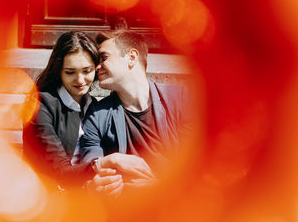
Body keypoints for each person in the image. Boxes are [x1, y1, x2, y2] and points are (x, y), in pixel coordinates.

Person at [80, 30, 192, 195]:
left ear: (131, 57)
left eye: (104, 58)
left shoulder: (181, 99)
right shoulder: (97, 113)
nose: (97, 67)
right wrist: (106, 174)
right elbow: (91, 161)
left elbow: (200, 163)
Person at [22, 31, 100, 188]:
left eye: (87, 71)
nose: (80, 80)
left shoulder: (92, 104)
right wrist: (100, 166)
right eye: (70, 72)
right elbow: (59, 171)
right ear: (59, 71)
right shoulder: (39, 104)